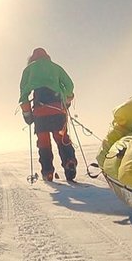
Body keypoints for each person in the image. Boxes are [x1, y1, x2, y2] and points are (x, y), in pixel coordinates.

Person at [19, 47, 77, 182]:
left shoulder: (29, 70)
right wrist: (67, 99)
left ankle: (48, 172)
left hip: (40, 112)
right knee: (62, 138)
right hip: (57, 110)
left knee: (43, 142)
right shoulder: (56, 67)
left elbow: (23, 94)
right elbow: (69, 86)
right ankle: (69, 161)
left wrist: (27, 112)